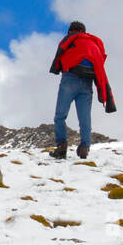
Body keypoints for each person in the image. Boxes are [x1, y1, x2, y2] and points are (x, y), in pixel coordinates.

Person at [49, 21, 109, 159]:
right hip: (87, 83)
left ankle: (61, 147)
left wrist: (56, 69)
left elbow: (59, 55)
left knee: (60, 115)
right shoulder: (94, 43)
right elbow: (100, 62)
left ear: (71, 31)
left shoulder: (70, 39)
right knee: (85, 119)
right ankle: (84, 148)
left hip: (70, 78)